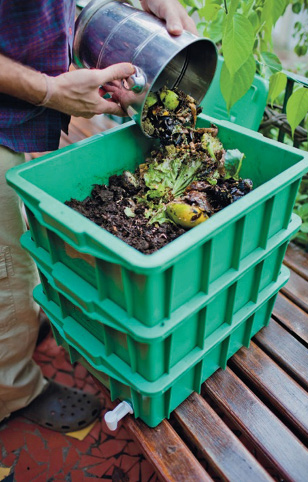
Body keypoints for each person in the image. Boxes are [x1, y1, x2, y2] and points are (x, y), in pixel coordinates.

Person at [0, 0, 197, 432]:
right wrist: (50, 91)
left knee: (17, 246)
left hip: (20, 103)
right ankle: (13, 392)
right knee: (5, 268)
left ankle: (25, 325)